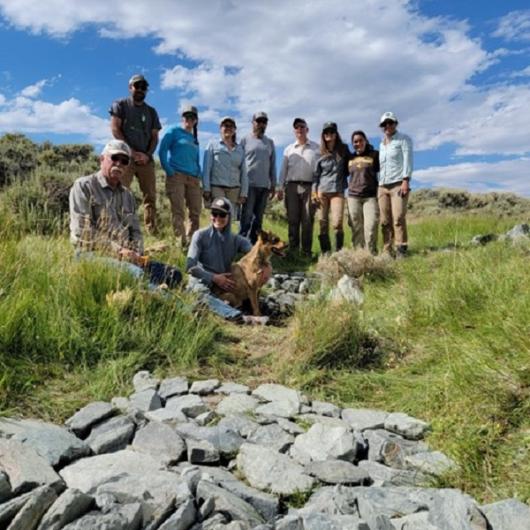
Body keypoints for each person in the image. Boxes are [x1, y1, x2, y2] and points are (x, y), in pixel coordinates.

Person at [69, 139, 181, 288]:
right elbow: (83, 232)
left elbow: (135, 231)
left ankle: (156, 293)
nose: (119, 164)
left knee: (174, 275)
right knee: (136, 274)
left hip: (127, 258)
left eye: (124, 161)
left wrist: (136, 253)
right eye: (114, 158)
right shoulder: (84, 186)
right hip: (91, 255)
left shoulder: (127, 195)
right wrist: (119, 251)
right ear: (102, 159)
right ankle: (169, 304)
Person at [187, 197, 271, 319]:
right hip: (202, 282)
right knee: (201, 295)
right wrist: (214, 278)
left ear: (229, 217)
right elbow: (190, 267)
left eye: (222, 215)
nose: (217, 218)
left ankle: (230, 309)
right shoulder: (199, 235)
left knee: (249, 293)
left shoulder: (235, 239)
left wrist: (267, 266)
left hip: (225, 287)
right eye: (214, 213)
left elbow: (256, 252)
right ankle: (238, 316)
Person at [109, 74, 162, 234]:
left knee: (150, 196)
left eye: (143, 87)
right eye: (136, 86)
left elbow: (154, 137)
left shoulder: (151, 112)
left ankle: (151, 229)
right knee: (120, 191)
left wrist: (147, 155)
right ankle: (117, 227)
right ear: (130, 87)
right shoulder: (120, 105)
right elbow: (115, 129)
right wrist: (131, 152)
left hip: (146, 160)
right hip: (125, 158)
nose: (140, 89)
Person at [159, 105, 202, 248]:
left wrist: (199, 174)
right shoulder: (173, 131)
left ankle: (192, 242)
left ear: (196, 120)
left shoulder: (194, 139)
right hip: (176, 176)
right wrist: (169, 171)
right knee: (178, 211)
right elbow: (162, 151)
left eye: (192, 117)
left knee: (195, 212)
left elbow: (196, 159)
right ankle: (180, 242)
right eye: (187, 116)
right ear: (182, 118)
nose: (189, 119)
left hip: (193, 179)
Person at [277, 118, 319, 257]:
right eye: (296, 128)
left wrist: (317, 189)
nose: (299, 130)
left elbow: (320, 170)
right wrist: (280, 188)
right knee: (293, 219)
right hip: (292, 187)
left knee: (307, 220)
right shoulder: (289, 149)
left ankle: (306, 252)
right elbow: (283, 170)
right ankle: (293, 250)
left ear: (307, 129)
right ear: (294, 131)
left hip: (309, 187)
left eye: (302, 127)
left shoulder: (316, 148)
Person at [378, 111, 413, 258]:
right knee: (385, 220)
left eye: (390, 123)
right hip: (382, 186)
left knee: (398, 217)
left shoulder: (403, 140)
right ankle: (388, 249)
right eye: (384, 124)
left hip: (398, 183)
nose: (387, 126)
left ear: (395, 124)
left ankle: (401, 248)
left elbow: (407, 159)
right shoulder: (381, 144)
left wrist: (406, 180)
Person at [313, 122, 350, 253]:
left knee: (337, 222)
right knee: (322, 223)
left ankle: (338, 253)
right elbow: (315, 176)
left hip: (338, 190)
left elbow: (350, 167)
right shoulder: (318, 152)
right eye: (326, 132)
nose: (329, 134)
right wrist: (314, 193)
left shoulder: (344, 149)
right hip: (322, 191)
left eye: (331, 132)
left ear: (336, 134)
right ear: (323, 135)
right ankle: (326, 253)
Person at [239, 112, 276, 243]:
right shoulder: (244, 140)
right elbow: (239, 163)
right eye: (258, 121)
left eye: (264, 122)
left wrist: (273, 185)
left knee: (258, 218)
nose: (261, 124)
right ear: (253, 122)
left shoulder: (270, 142)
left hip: (264, 186)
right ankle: (242, 243)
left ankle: (254, 244)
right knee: (247, 216)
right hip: (249, 185)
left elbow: (273, 165)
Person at [202, 116, 248, 217]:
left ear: (235, 130)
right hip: (217, 188)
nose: (228, 128)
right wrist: (206, 188)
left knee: (230, 220)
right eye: (226, 125)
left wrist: (244, 193)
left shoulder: (240, 149)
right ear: (220, 128)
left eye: (231, 126)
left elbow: (244, 172)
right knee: (218, 217)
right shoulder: (212, 145)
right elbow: (206, 169)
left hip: (234, 190)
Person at [347, 130, 380, 255]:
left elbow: (381, 172)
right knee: (356, 228)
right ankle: (359, 255)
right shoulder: (349, 158)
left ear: (365, 141)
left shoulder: (374, 155)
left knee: (371, 226)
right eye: (355, 141)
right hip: (353, 197)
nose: (358, 143)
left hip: (370, 197)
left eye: (360, 140)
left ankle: (371, 254)